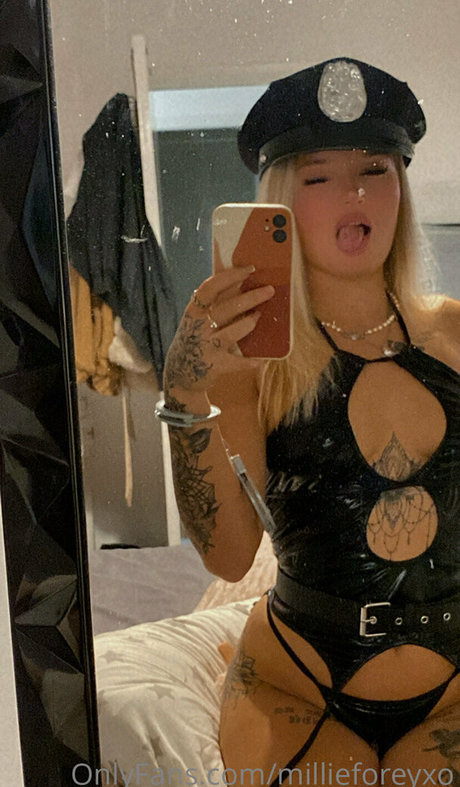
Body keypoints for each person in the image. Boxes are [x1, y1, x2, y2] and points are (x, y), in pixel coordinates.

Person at [158, 57, 460, 782]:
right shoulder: (250, 363)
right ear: (281, 205)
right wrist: (186, 393)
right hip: (297, 686)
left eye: (375, 170)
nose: (353, 193)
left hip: (451, 688)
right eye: (318, 177)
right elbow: (230, 558)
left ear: (402, 186)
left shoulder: (455, 334)